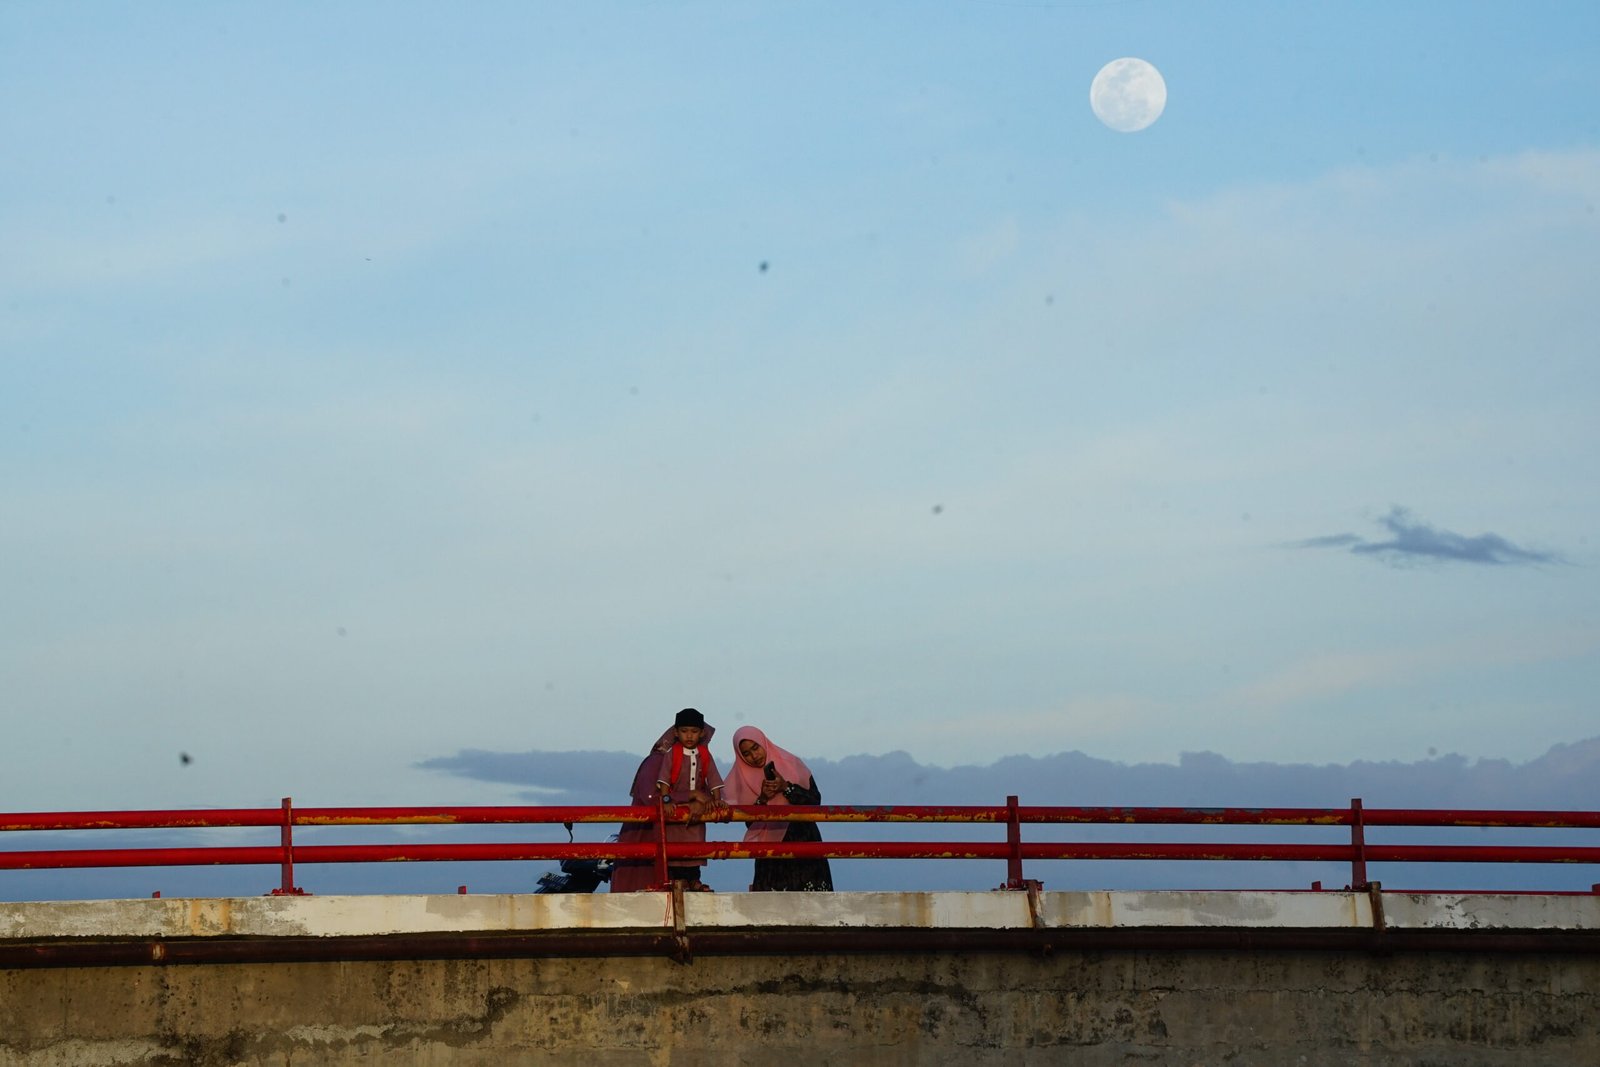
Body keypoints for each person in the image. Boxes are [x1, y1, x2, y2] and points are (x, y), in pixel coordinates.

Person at [608, 708, 726, 892]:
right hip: (645, 837)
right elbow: (651, 798)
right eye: (685, 731)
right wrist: (690, 797)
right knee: (640, 898)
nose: (691, 738)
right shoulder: (657, 761)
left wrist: (703, 800)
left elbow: (706, 788)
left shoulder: (701, 759)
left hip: (673, 832)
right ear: (676, 734)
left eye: (696, 733)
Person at [724, 725, 834, 892]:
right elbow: (749, 823)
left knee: (814, 909)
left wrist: (786, 787)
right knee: (772, 912)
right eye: (746, 753)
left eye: (756, 748)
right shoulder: (740, 779)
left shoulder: (792, 764)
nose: (754, 756)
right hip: (771, 855)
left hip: (804, 843)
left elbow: (814, 801)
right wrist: (762, 798)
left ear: (763, 743)